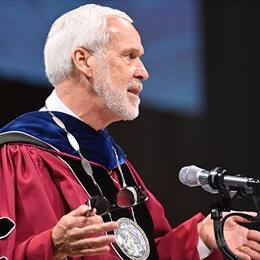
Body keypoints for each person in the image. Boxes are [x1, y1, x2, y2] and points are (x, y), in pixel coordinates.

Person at [0, 4, 259, 260]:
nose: (143, 72)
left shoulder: (112, 160)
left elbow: (149, 255)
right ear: (83, 61)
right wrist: (53, 246)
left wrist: (201, 237)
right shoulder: (22, 153)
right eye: (130, 56)